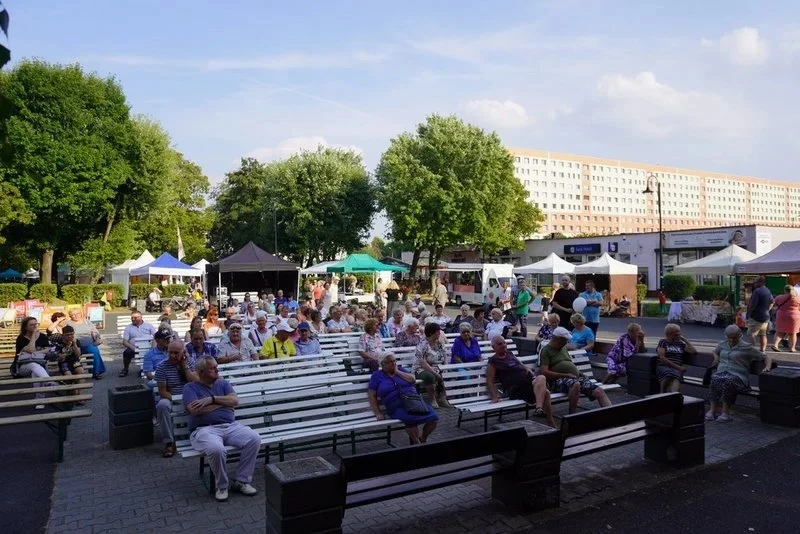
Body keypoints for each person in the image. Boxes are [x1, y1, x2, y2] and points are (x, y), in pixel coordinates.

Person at [183, 357, 261, 502]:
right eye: (213, 368)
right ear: (201, 372)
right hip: (204, 429)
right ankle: (222, 486)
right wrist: (223, 403)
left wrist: (211, 400)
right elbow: (194, 410)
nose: (217, 370)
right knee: (216, 449)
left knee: (254, 439)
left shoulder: (223, 383)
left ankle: (241, 481)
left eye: (216, 367)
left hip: (230, 426)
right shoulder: (190, 388)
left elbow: (235, 401)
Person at [368, 353, 438, 445]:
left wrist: (397, 372)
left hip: (413, 400)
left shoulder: (400, 370)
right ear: (382, 364)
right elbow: (371, 395)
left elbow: (413, 380)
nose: (393, 363)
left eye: (394, 361)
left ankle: (423, 438)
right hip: (395, 405)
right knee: (410, 420)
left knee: (434, 418)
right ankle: (418, 444)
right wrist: (378, 413)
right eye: (390, 362)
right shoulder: (377, 376)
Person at [707, 325, 772, 423]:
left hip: (739, 378)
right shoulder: (722, 344)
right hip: (722, 373)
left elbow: (766, 357)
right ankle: (712, 410)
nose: (732, 340)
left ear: (740, 335)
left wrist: (767, 367)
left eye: (734, 337)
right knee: (715, 378)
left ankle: (725, 413)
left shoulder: (747, 347)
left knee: (728, 381)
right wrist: (716, 357)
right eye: (729, 337)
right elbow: (715, 351)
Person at [539, 327, 612, 414]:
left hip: (573, 378)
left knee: (599, 391)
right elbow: (544, 372)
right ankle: (572, 415)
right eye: (564, 340)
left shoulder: (563, 348)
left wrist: (580, 373)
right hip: (557, 381)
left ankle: (611, 415)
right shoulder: (546, 351)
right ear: (557, 339)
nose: (566, 342)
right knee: (576, 385)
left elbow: (569, 364)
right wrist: (566, 375)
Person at [487, 336, 555, 427]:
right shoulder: (493, 361)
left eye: (504, 343)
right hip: (516, 388)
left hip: (528, 381)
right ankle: (549, 421)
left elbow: (521, 364)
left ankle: (539, 409)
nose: (503, 345)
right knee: (545, 393)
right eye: (500, 344)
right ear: (493, 347)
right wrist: (494, 397)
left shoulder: (510, 354)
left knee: (542, 377)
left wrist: (527, 369)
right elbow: (489, 380)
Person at [155, 340, 199, 458]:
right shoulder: (162, 367)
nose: (172, 356)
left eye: (176, 353)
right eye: (170, 353)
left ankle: (201, 435)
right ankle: (169, 442)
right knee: (162, 405)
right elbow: (162, 391)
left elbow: (195, 382)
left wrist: (184, 366)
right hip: (171, 397)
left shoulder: (190, 362)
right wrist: (177, 399)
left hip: (191, 396)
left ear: (183, 352)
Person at [14, 317, 53, 409]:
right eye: (32, 325)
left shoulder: (43, 336)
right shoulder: (21, 338)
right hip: (23, 366)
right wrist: (33, 337)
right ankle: (49, 381)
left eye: (36, 324)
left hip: (40, 364)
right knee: (33, 365)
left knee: (35, 372)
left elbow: (47, 349)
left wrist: (35, 353)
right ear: (25, 327)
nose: (35, 326)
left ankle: (39, 401)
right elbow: (30, 349)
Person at [413, 322, 451, 408]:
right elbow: (422, 363)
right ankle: (433, 399)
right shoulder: (422, 344)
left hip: (437, 366)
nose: (439, 333)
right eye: (437, 331)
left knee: (445, 374)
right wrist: (435, 373)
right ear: (431, 333)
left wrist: (446, 368)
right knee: (429, 376)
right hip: (421, 369)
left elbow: (445, 356)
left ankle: (442, 398)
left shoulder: (440, 343)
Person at [656, 323, 698, 393]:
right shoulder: (663, 342)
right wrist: (678, 367)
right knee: (668, 374)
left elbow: (694, 351)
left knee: (676, 381)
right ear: (670, 334)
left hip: (677, 369)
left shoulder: (681, 344)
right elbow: (662, 358)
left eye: (679, 332)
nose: (679, 333)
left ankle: (674, 397)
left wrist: (685, 340)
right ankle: (662, 394)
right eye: (677, 332)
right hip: (664, 366)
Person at [67, 308, 106, 379]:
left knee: (95, 351)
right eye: (73, 315)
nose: (76, 316)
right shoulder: (69, 323)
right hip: (75, 345)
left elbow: (95, 331)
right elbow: (67, 335)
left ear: (81, 314)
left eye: (77, 314)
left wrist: (96, 337)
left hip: (89, 344)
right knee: (72, 355)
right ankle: (75, 371)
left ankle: (96, 372)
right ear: (70, 316)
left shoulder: (86, 322)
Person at [120, 310, 157, 377]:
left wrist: (153, 345)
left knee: (154, 352)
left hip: (147, 347)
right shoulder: (128, 328)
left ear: (141, 317)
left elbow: (156, 336)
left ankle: (147, 369)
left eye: (135, 317)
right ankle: (125, 369)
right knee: (126, 353)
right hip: (134, 347)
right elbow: (124, 341)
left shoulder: (148, 326)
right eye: (132, 318)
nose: (133, 319)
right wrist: (133, 348)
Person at [52, 326, 85, 399]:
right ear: (63, 335)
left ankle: (79, 395)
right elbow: (58, 359)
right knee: (68, 375)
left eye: (71, 334)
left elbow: (78, 355)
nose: (70, 336)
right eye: (67, 334)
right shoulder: (59, 343)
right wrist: (61, 357)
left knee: (81, 372)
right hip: (64, 362)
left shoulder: (76, 341)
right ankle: (74, 391)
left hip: (74, 360)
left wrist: (75, 344)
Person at [770, 285, 800, 353]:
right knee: (793, 333)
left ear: (785, 290)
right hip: (794, 316)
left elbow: (773, 304)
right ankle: (792, 348)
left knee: (779, 332)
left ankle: (775, 345)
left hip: (781, 315)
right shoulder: (797, 298)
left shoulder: (779, 297)